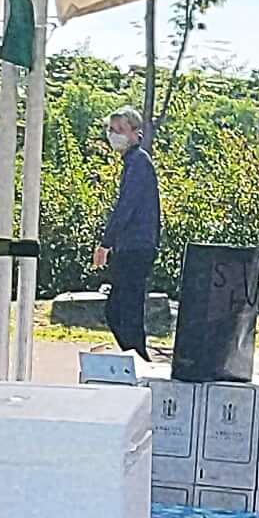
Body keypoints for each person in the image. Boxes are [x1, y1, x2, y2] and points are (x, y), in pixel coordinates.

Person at [97, 106, 161, 356]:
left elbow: (127, 206)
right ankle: (136, 355)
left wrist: (106, 243)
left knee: (122, 311)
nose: (114, 135)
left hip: (136, 246)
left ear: (135, 132)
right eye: (111, 130)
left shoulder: (139, 162)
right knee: (124, 310)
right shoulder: (133, 162)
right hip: (133, 245)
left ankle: (138, 357)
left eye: (120, 130)